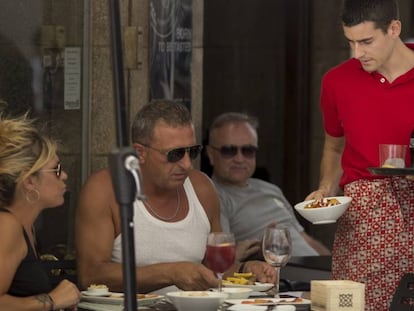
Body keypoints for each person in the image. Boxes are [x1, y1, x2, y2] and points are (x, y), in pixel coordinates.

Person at [75, 101, 276, 294]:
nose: (187, 164)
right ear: (140, 153)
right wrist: (170, 273)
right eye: (175, 154)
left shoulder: (202, 188)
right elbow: (91, 275)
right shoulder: (105, 189)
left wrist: (246, 269)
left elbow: (215, 267)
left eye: (192, 152)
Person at [305, 0, 414, 310]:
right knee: (355, 305)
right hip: (364, 220)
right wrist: (326, 188)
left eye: (366, 41)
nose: (357, 53)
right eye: (350, 42)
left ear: (394, 29)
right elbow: (333, 146)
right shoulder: (337, 81)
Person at [206, 112, 330, 261]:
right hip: (281, 277)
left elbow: (304, 239)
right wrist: (261, 250)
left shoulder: (270, 189)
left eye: (248, 151)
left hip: (313, 273)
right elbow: (222, 259)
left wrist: (333, 266)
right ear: (211, 154)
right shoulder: (212, 195)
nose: (239, 159)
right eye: (229, 151)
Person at [0, 112, 80, 310]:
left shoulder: (26, 227)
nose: (65, 176)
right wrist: (52, 301)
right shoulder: (7, 226)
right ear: (29, 181)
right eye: (56, 169)